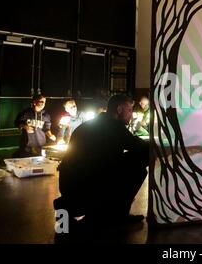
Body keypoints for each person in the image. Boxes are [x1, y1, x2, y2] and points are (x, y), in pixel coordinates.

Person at [55, 95, 149, 225]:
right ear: (119, 109)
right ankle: (118, 214)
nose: (132, 114)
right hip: (85, 189)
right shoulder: (114, 126)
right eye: (129, 110)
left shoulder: (91, 124)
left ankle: (75, 209)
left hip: (69, 185)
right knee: (140, 165)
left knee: (129, 161)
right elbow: (139, 146)